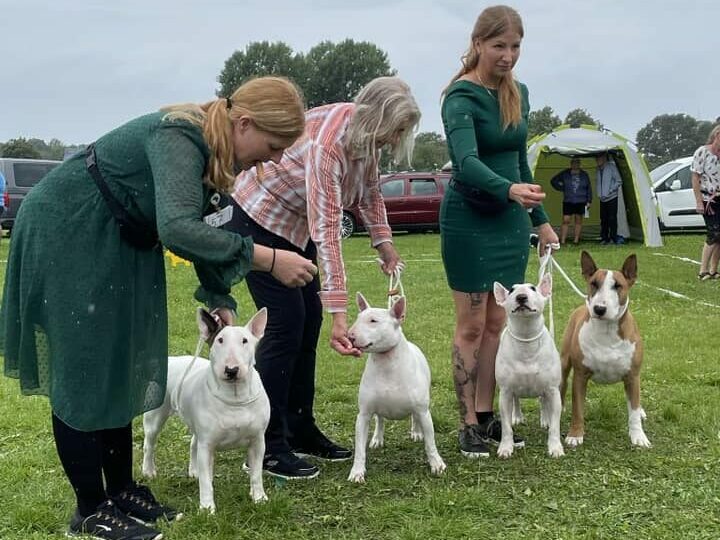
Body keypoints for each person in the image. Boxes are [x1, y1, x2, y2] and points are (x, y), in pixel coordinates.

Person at [0, 76, 318, 540]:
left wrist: (219, 296)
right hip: (71, 230)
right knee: (87, 367)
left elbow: (208, 223)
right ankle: (90, 510)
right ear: (244, 123)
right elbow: (178, 228)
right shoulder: (179, 136)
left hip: (121, 238)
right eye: (271, 146)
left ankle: (123, 490)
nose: (271, 159)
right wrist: (268, 259)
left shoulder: (217, 158)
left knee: (123, 363)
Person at [225, 76, 418, 480]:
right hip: (258, 216)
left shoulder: (365, 141)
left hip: (293, 227)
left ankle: (299, 428)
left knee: (307, 320)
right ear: (377, 117)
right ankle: (269, 446)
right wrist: (340, 315)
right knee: (286, 322)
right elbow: (327, 231)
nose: (395, 139)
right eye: (395, 129)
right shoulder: (328, 144)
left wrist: (383, 241)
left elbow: (370, 193)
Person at [440, 5, 559, 458]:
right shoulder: (459, 97)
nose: (508, 56)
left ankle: (490, 416)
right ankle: (467, 422)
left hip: (511, 221)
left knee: (498, 321)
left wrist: (541, 220)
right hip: (469, 220)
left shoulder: (518, 92)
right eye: (499, 46)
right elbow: (466, 163)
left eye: (515, 46)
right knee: (471, 325)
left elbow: (520, 160)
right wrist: (508, 189)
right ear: (477, 44)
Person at [691, 124, 720, 280]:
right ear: (716, 136)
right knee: (714, 232)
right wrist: (699, 201)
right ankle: (703, 270)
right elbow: (695, 177)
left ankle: (713, 270)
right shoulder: (702, 152)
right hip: (708, 198)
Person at [550, 157, 592, 244]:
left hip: (581, 200)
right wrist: (562, 188)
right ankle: (562, 240)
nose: (575, 165)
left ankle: (576, 240)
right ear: (571, 164)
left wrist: (589, 200)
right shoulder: (565, 173)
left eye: (577, 163)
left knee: (578, 219)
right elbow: (554, 181)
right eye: (574, 163)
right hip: (568, 200)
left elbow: (589, 188)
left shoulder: (584, 174)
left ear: (579, 164)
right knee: (566, 220)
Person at [595, 152, 623, 245]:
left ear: (604, 159)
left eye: (599, 159)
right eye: (596, 159)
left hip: (612, 197)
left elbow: (619, 181)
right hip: (602, 198)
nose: (597, 161)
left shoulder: (611, 167)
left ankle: (613, 237)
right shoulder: (598, 169)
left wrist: (611, 190)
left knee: (612, 219)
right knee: (603, 219)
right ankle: (604, 238)